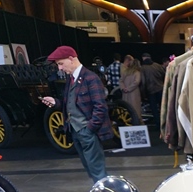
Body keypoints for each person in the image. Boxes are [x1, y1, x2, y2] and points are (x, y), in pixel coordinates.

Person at [40, 45, 113, 183]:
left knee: (97, 170)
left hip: (87, 131)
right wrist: (55, 103)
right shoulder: (71, 79)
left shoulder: (90, 78)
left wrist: (90, 128)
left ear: (71, 59)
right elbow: (71, 103)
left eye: (61, 63)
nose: (60, 68)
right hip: (75, 130)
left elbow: (100, 107)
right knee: (90, 168)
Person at [140, 53, 166, 127]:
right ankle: (165, 122)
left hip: (150, 91)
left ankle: (158, 124)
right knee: (163, 107)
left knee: (154, 109)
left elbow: (143, 82)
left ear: (143, 58)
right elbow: (164, 75)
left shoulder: (143, 68)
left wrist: (143, 94)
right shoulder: (157, 65)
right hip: (160, 88)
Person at [120, 54, 142, 121]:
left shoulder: (125, 72)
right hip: (134, 93)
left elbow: (121, 80)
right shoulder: (137, 72)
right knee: (135, 108)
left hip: (125, 93)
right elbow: (136, 82)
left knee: (126, 108)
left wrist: (123, 88)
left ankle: (126, 120)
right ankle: (136, 121)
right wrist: (129, 88)